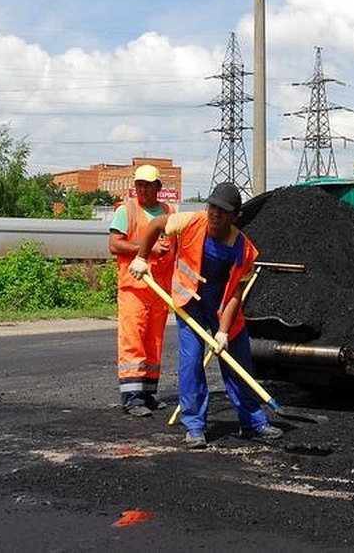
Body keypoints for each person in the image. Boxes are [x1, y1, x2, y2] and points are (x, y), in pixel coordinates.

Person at [128, 182, 283, 449]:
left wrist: (223, 332)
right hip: (189, 301)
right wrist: (141, 258)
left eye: (222, 211)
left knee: (238, 361)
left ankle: (253, 422)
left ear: (235, 216)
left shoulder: (243, 250)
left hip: (222, 306)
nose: (214, 214)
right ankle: (195, 427)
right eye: (212, 207)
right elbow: (154, 226)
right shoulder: (189, 221)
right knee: (191, 363)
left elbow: (235, 293)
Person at [108, 164, 176, 417]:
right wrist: (146, 250)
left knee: (153, 342)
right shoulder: (127, 211)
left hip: (159, 290)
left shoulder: (168, 212)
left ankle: (147, 393)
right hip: (134, 287)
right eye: (139, 185)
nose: (142, 189)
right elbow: (115, 244)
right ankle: (132, 397)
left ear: (158, 187)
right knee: (133, 341)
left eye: (147, 185)